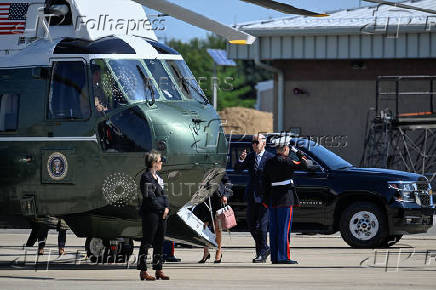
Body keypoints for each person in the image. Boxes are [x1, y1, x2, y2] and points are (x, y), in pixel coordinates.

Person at [263, 136, 315, 264]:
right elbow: (306, 165)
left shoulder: (269, 162)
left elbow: (264, 182)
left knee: (274, 230)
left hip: (272, 200)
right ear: (286, 148)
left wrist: (266, 200)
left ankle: (275, 257)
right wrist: (298, 153)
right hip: (285, 199)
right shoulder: (287, 161)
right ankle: (283, 257)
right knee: (284, 230)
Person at [235, 134, 274, 263]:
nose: (253, 144)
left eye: (256, 142)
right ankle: (265, 248)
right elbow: (238, 169)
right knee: (251, 225)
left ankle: (261, 254)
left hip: (264, 197)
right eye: (252, 142)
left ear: (264, 143)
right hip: (252, 196)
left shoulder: (270, 158)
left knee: (262, 226)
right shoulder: (250, 157)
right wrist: (241, 159)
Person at [137, 150, 170, 281]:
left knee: (159, 242)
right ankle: (143, 270)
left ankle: (158, 269)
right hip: (151, 213)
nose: (162, 163)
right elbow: (150, 197)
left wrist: (167, 207)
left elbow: (164, 195)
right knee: (147, 241)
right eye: (160, 161)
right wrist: (163, 208)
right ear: (154, 163)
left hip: (161, 213)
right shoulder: (146, 177)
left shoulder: (158, 177)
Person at [195, 174, 232, 263]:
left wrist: (226, 195)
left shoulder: (218, 168)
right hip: (204, 199)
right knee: (203, 227)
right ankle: (206, 252)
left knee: (217, 227)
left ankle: (218, 251)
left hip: (217, 199)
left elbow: (227, 182)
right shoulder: (202, 166)